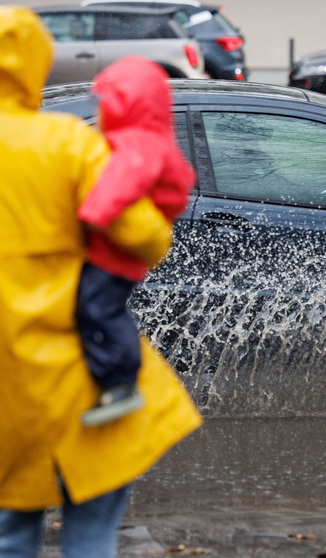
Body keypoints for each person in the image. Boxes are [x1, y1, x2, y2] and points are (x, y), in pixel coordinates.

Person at [0, 5, 201, 558]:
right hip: (77, 371)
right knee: (90, 531)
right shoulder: (65, 143)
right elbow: (143, 237)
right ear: (35, 62)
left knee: (9, 531)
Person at [75, 56, 196, 427]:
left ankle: (122, 381)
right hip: (121, 250)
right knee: (97, 307)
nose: (100, 110)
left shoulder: (137, 141)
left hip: (115, 252)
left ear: (125, 101)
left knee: (98, 308)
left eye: (105, 101)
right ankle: (112, 380)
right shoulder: (148, 137)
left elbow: (122, 182)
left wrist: (93, 212)